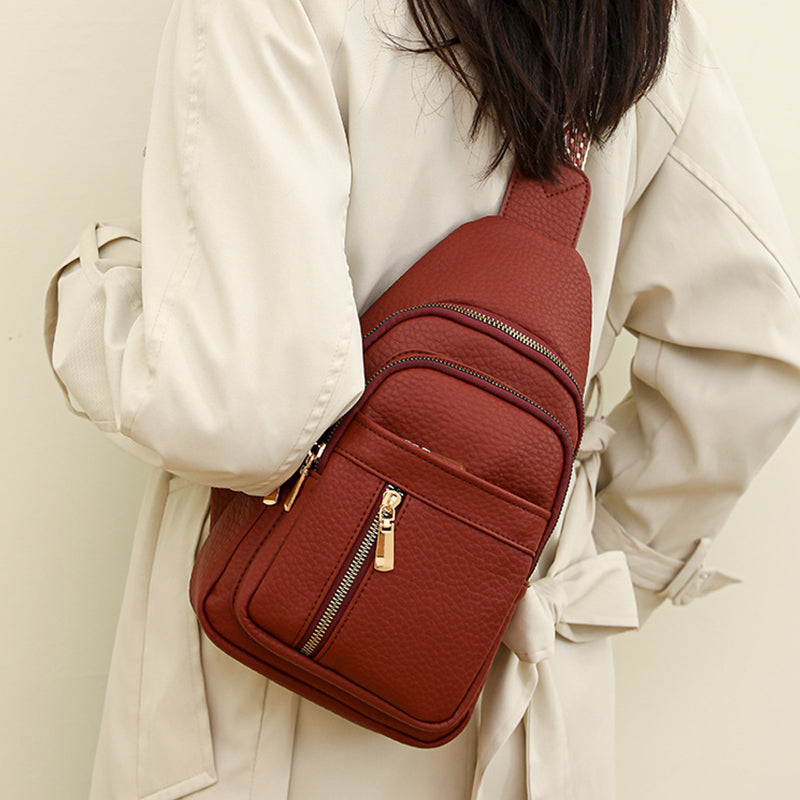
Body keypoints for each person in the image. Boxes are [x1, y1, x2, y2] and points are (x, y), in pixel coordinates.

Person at [43, 0, 800, 798]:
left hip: (269, 699)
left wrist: (96, 297)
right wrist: (550, 565)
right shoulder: (644, 24)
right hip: (516, 702)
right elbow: (754, 346)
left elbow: (247, 416)